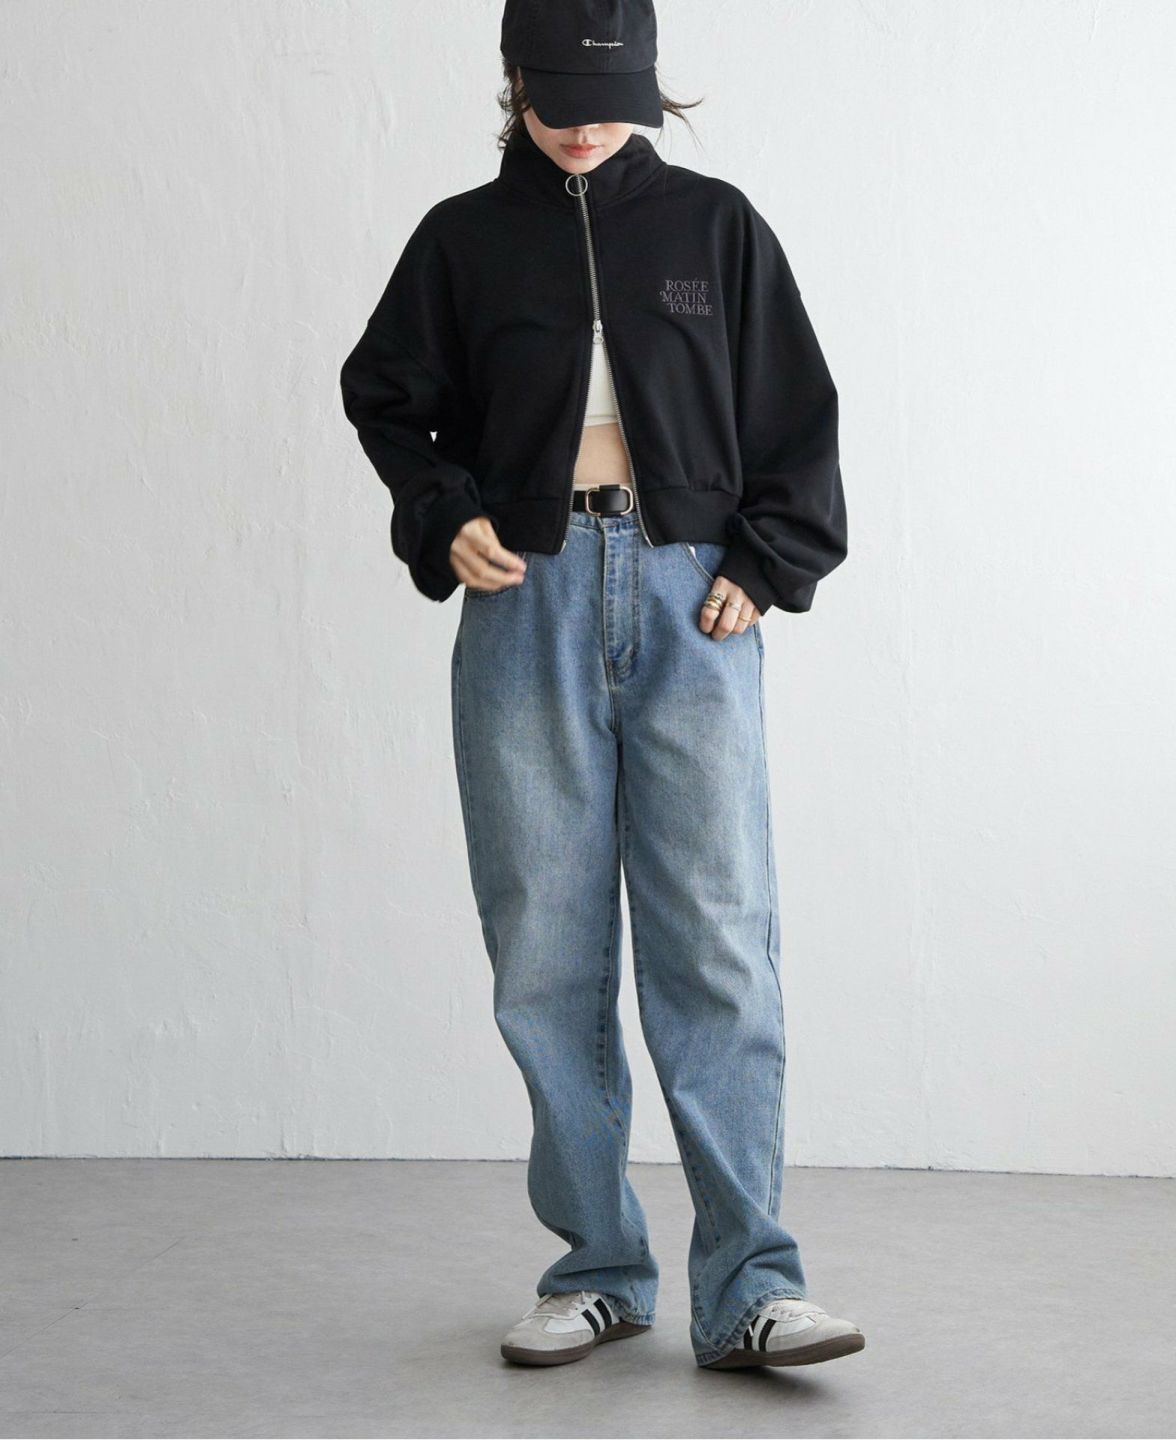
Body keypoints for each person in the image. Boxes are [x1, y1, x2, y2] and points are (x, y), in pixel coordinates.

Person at [339, 0, 863, 1372]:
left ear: (651, 85)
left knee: (718, 942)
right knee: (545, 951)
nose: (583, 124)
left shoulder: (714, 226)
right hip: (528, 599)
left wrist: (769, 560)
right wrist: (442, 513)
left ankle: (753, 1285)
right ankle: (597, 1268)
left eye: (611, 97)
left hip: (694, 601)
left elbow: (799, 411)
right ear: (512, 82)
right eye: (557, 97)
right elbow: (385, 397)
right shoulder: (463, 239)